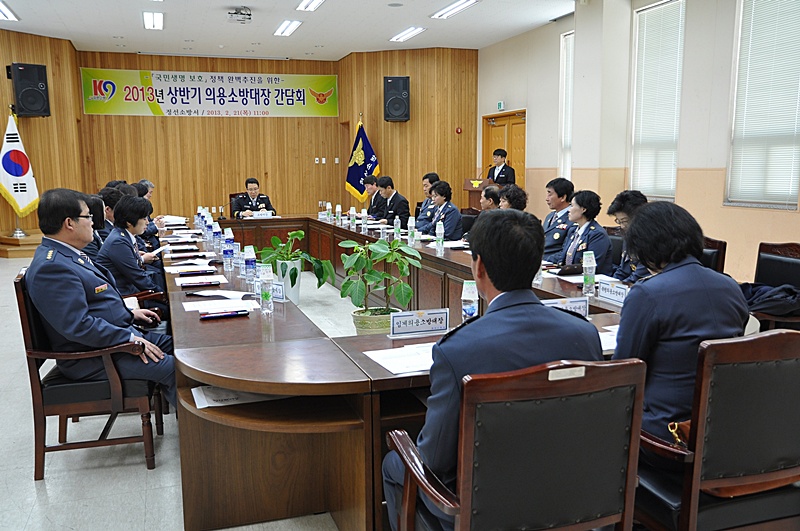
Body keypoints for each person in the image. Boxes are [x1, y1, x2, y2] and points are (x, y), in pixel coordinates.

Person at [382, 208, 603, 531]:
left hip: (481, 511)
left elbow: (434, 460)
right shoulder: (584, 334)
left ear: (479, 267)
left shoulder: (456, 350)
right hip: (572, 498)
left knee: (394, 460)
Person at [612, 202, 748, 453]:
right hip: (722, 432)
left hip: (665, 435)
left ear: (645, 247)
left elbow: (624, 370)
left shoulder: (647, 293)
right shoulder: (730, 286)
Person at [25, 188, 176, 406]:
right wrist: (128, 339)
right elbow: (78, 325)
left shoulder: (68, 253)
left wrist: (129, 314)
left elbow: (98, 302)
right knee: (176, 368)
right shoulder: (52, 267)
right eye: (88, 216)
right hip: (95, 356)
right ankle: (196, 426)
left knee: (183, 346)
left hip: (115, 337)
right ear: (69, 223)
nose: (94, 223)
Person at [97, 195, 166, 295]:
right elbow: (138, 277)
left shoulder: (123, 234)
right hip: (124, 294)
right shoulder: (118, 242)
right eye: (144, 218)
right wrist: (164, 295)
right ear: (129, 222)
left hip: (131, 288)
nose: (147, 222)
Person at [546, 190, 613, 275]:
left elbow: (592, 266)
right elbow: (563, 255)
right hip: (569, 276)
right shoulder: (573, 230)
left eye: (572, 206)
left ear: (583, 209)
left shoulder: (597, 234)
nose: (569, 210)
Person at [607, 190, 649, 283]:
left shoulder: (651, 238)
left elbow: (639, 276)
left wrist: (618, 286)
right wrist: (610, 284)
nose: (622, 226)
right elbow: (622, 271)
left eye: (625, 221)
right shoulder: (629, 235)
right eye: (619, 221)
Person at [542, 177, 575, 256]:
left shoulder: (572, 218)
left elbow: (565, 250)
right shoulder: (550, 216)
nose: (547, 199)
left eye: (550, 194)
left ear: (563, 197)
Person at [82, 194, 106, 261]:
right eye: (104, 210)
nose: (105, 213)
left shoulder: (96, 231)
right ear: (98, 213)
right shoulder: (87, 237)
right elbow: (96, 260)